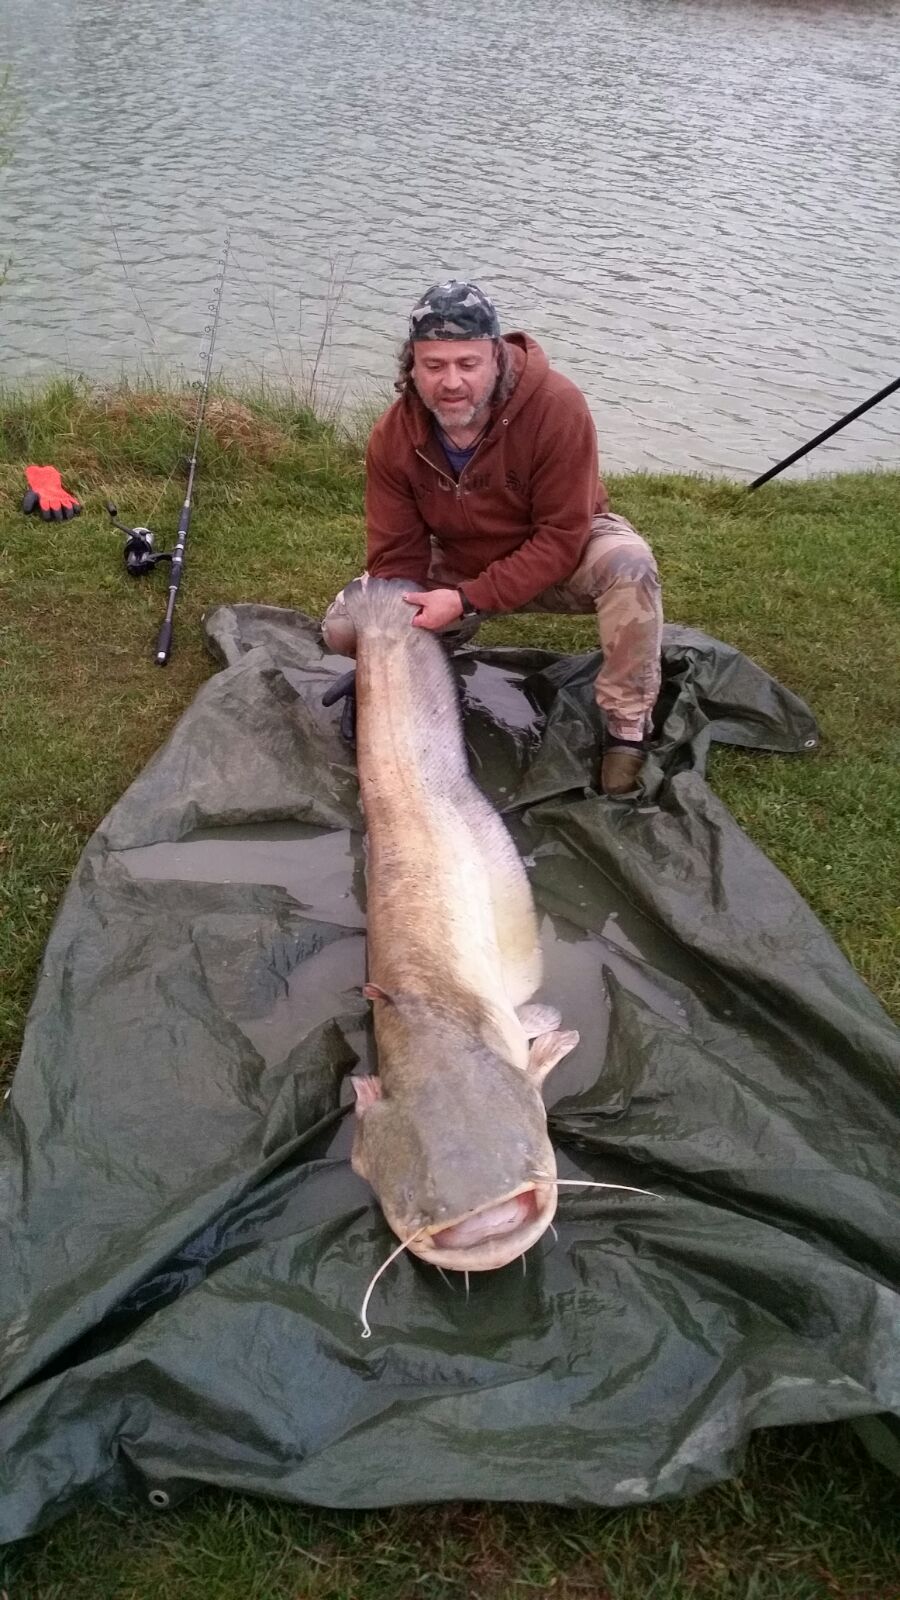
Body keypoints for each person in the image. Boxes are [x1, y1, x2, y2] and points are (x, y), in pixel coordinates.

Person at [321, 280, 663, 796]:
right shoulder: (393, 437)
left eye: (467, 363)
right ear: (411, 368)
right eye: (434, 366)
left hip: (560, 554)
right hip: (458, 558)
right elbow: (396, 555)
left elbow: (562, 536)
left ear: (497, 359)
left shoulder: (557, 406)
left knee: (629, 565)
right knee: (349, 626)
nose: (451, 382)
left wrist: (466, 600)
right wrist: (389, 644)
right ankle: (400, 687)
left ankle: (627, 728)